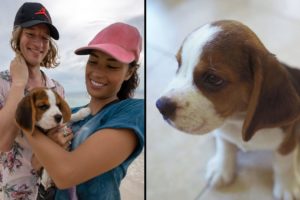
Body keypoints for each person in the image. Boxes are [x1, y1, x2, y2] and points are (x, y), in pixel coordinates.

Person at [22, 22, 145, 200]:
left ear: (129, 72)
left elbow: (66, 174)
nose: (98, 73)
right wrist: (49, 142)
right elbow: (35, 164)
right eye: (93, 61)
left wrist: (25, 120)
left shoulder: (134, 111)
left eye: (112, 66)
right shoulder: (70, 113)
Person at [0, 2, 71, 199]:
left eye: (45, 38)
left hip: (48, 189)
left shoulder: (56, 89)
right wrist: (18, 84)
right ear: (18, 36)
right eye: (31, 34)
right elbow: (2, 142)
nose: (39, 44)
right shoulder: (2, 83)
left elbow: (56, 145)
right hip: (12, 192)